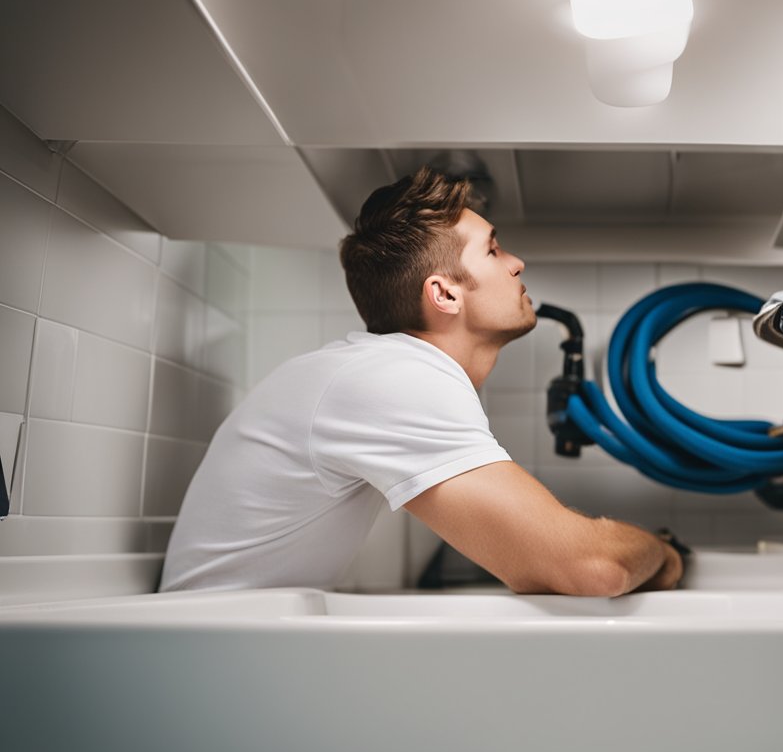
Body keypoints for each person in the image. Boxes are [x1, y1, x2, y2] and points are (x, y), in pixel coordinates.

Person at [159, 167, 684, 596]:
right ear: (445, 295)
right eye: (494, 251)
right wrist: (663, 552)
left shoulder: (379, 371)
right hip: (205, 656)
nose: (518, 263)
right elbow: (590, 568)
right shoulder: (394, 377)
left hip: (221, 646)